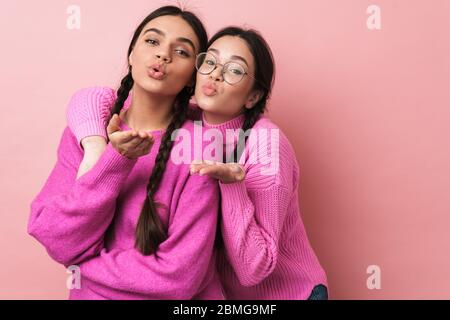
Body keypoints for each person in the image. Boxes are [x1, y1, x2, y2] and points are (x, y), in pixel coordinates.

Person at [27, 6, 224, 300]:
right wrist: (113, 161)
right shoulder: (88, 130)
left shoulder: (202, 149)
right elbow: (54, 234)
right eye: (152, 41)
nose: (163, 55)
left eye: (181, 52)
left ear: (192, 77)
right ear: (131, 54)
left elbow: (179, 278)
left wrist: (83, 264)